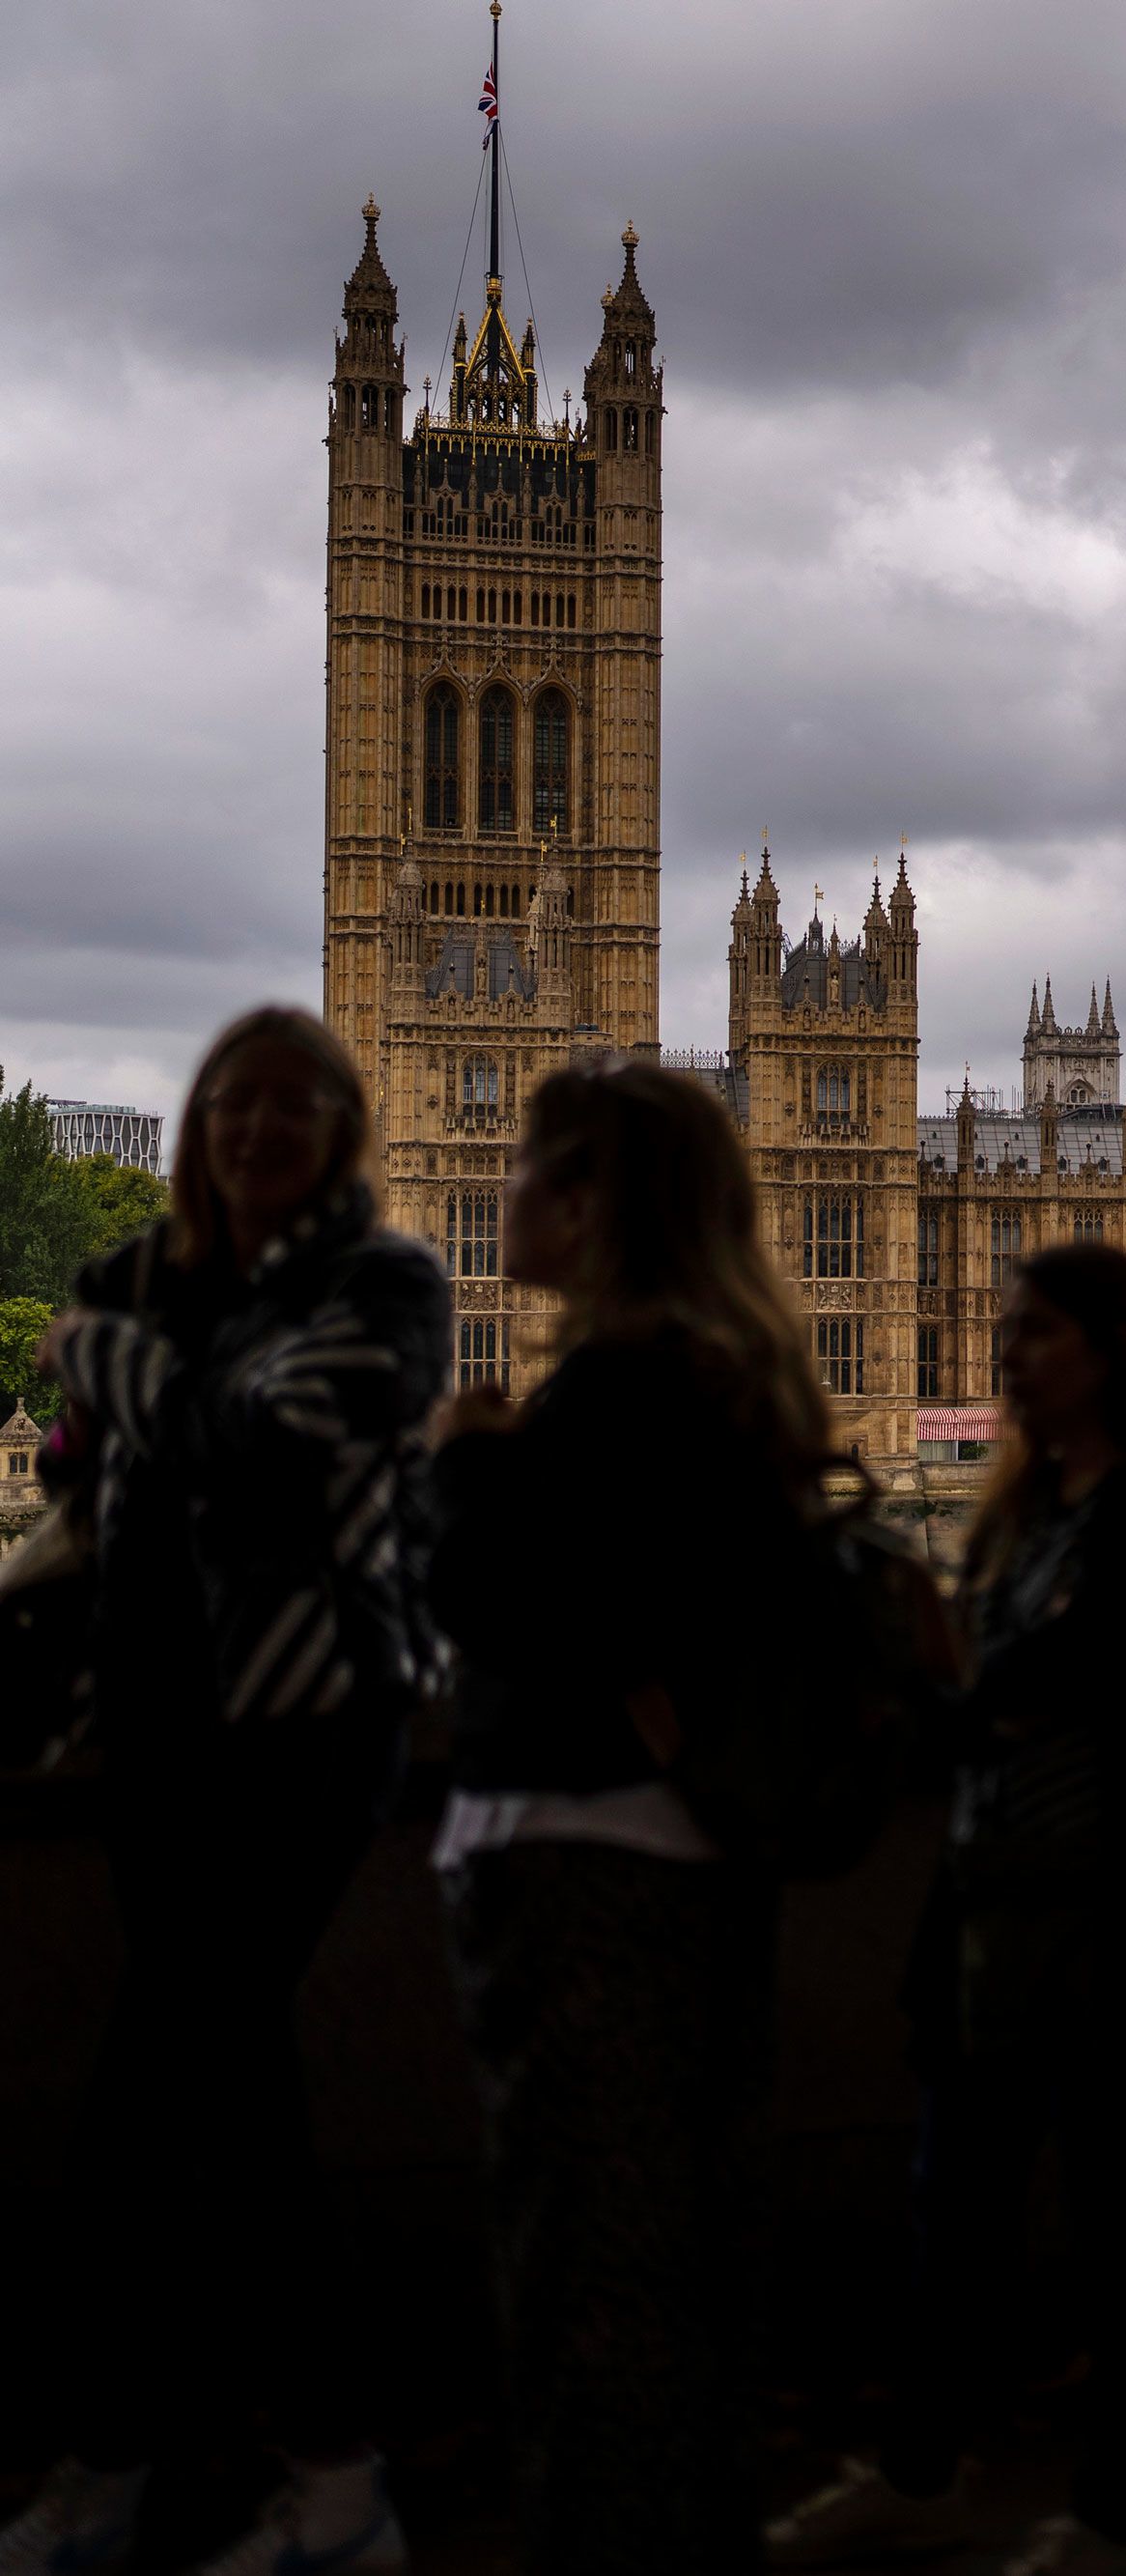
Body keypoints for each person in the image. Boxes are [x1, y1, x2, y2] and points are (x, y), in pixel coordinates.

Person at [2, 1008, 448, 2576]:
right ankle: (315, 2478)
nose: (255, 1127)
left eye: (291, 1104)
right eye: (231, 1101)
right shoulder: (147, 1273)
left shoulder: (387, 1281)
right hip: (161, 1727)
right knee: (227, 2105)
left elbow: (266, 1448)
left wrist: (111, 1365)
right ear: (199, 1125)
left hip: (313, 1728)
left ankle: (134, 2466)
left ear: (343, 1131)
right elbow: (94, 1484)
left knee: (152, 2113)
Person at [770, 1241, 1126, 2575]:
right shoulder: (1023, 1512)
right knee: (955, 2209)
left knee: (1117, 2229)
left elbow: (1052, 1684)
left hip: (1120, 1923)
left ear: (1113, 1346)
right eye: (1003, 1332)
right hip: (988, 1908)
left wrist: (934, 1641)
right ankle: (923, 2472)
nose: (1003, 1356)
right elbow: (981, 1707)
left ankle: (1114, 2512)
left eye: (1033, 1332)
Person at [427, 1060, 838, 2575]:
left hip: (590, 1871)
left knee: (589, 2271)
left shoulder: (616, 1385)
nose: (501, 1184)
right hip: (693, 1856)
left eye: (526, 1164)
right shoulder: (732, 1373)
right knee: (693, 2251)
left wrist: (466, 1473)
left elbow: (514, 1609)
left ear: (593, 1203)